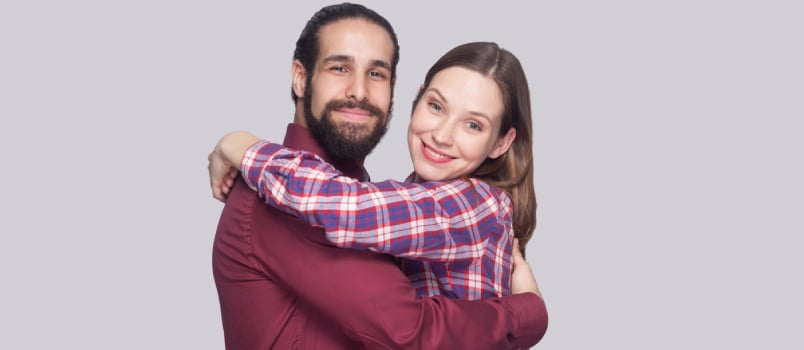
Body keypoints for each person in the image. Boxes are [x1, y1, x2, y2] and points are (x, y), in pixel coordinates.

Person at [209, 3, 547, 349]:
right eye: (339, 67)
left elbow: (349, 205)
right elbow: (410, 331)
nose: (359, 91)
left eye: (376, 74)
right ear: (300, 77)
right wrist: (523, 314)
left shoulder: (470, 201)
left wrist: (242, 146)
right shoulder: (282, 199)